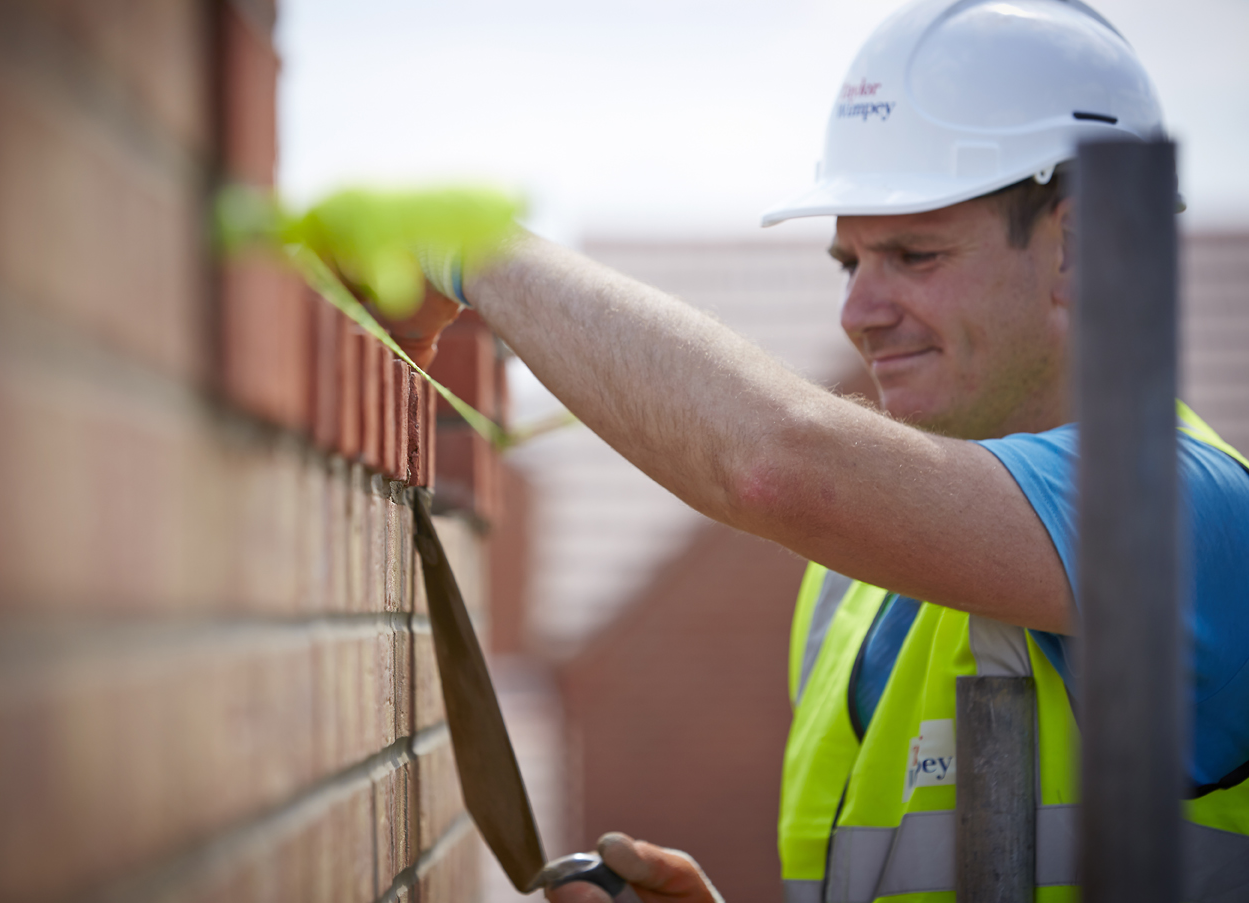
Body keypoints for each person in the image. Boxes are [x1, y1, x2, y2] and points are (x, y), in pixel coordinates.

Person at [387, 0, 1249, 899]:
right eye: (850, 262)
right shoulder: (851, 590)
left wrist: (469, 249)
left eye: (913, 255)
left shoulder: (1188, 515)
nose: (858, 312)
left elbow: (773, 463)